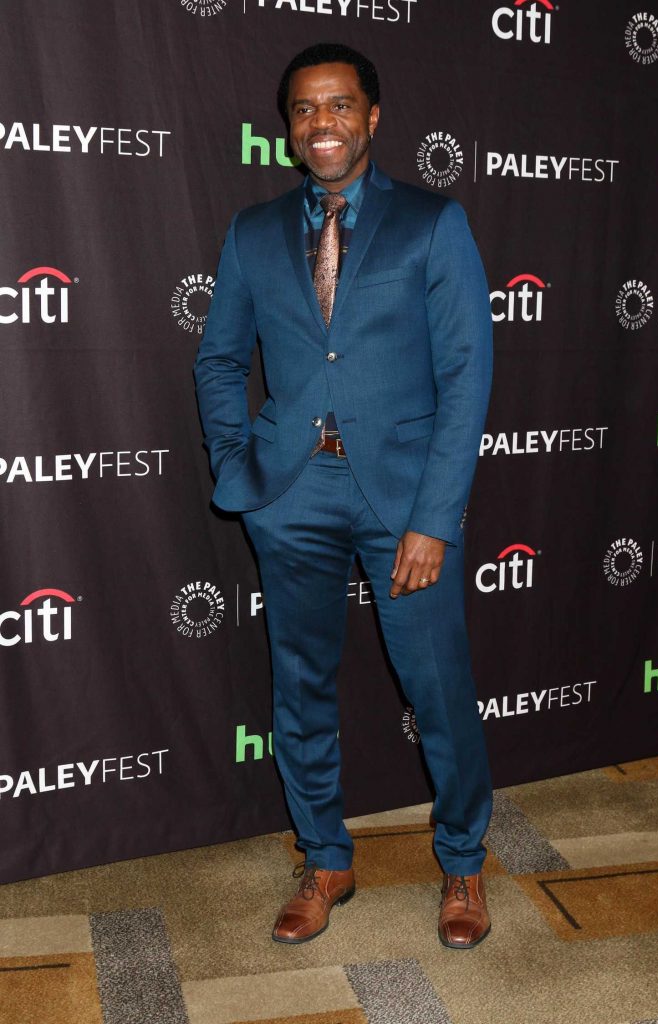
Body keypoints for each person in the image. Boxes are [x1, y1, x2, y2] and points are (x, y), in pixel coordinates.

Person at [194, 42, 494, 949]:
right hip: (289, 495)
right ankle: (325, 856)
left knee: (436, 687)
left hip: (404, 501)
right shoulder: (251, 232)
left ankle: (464, 863)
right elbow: (216, 359)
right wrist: (240, 466)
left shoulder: (432, 224)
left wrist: (433, 518)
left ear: (371, 117)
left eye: (337, 106)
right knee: (300, 686)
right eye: (302, 110)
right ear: (287, 129)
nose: (319, 123)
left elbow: (465, 373)